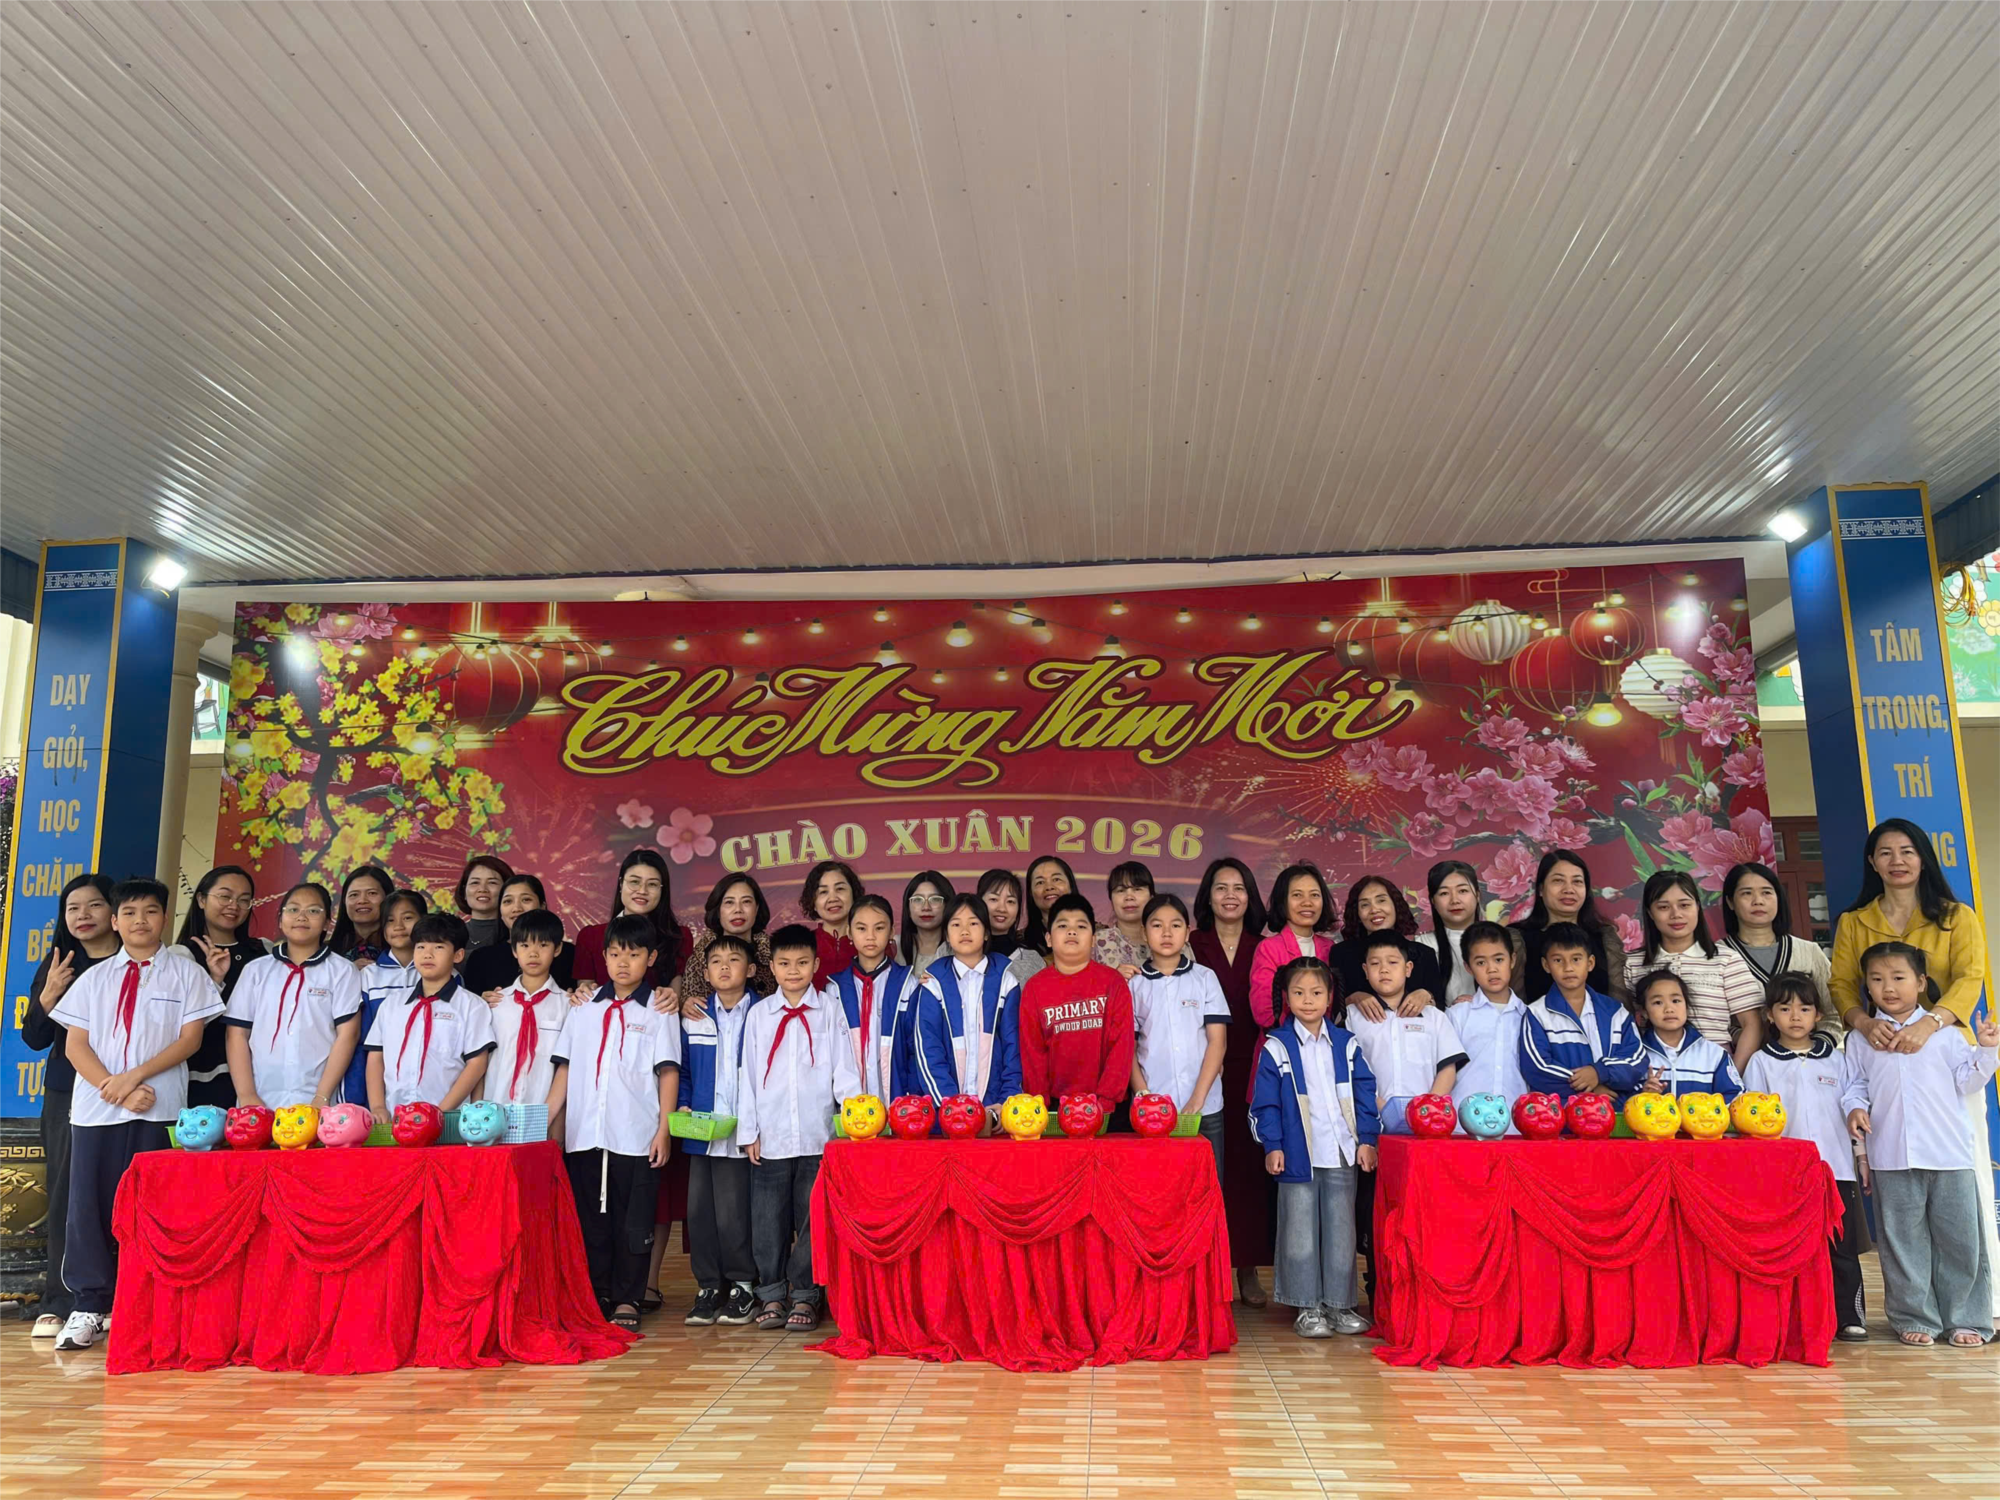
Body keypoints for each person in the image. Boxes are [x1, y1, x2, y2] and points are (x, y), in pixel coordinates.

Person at [1830, 817, 1999, 1313]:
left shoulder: (1955, 916)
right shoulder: (1854, 921)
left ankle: (1980, 1304)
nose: (1897, 861)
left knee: (1965, 1188)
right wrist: (1863, 1023)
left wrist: (1932, 1023)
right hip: (1880, 1050)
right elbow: (1841, 984)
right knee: (1900, 1202)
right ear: (1872, 862)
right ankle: (1914, 1311)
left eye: (1907, 851)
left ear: (1923, 857)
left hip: (1946, 1056)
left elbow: (1971, 976)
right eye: (1885, 852)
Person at [49, 879, 222, 1350]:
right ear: (114, 920)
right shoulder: (94, 978)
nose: (139, 921)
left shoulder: (186, 974)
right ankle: (89, 1304)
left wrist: (133, 1079)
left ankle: (145, 1302)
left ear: (164, 918)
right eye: (129, 913)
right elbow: (75, 1045)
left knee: (154, 1207)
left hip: (159, 1107)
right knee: (89, 1208)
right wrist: (116, 1088)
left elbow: (190, 1040)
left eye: (150, 911)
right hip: (97, 1109)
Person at [1841, 941, 2000, 1347]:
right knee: (1901, 1243)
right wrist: (1855, 1108)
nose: (1888, 987)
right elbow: (1855, 1084)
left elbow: (1968, 1081)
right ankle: (1914, 1317)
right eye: (1877, 979)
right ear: (1866, 987)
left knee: (1961, 1241)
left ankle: (1967, 1318)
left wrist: (1986, 1049)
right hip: (1890, 1155)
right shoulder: (1860, 1039)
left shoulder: (1945, 1035)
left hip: (1948, 1154)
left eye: (1899, 977)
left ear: (1921, 982)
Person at [547, 912, 680, 1331]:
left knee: (634, 1220)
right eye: (616, 953)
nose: (624, 962)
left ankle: (628, 1297)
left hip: (636, 1134)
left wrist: (664, 1130)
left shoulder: (660, 1010)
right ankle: (596, 1294)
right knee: (591, 1221)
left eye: (634, 954)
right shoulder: (583, 1007)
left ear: (651, 958)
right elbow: (565, 1068)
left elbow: (668, 1072)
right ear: (603, 957)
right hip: (586, 1133)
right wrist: (547, 1120)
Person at [738, 923, 859, 1333]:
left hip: (817, 1134)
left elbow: (844, 1068)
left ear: (816, 964)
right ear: (771, 966)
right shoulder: (759, 1015)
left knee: (812, 1218)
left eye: (802, 963)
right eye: (785, 963)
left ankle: (806, 1294)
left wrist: (853, 1121)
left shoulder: (829, 1010)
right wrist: (749, 1131)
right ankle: (772, 1293)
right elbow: (747, 1075)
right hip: (770, 1136)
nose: (793, 971)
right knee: (767, 1220)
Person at [1250, 955, 1377, 1339]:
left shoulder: (1346, 1043)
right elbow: (1264, 1103)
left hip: (1341, 1152)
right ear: (1286, 997)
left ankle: (1339, 1305)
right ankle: (1307, 1307)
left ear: (1330, 996)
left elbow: (1365, 1093)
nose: (1308, 1000)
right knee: (1299, 1233)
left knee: (1341, 1232)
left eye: (1317, 993)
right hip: (1297, 1153)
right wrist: (1273, 1145)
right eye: (1299, 993)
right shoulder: (1277, 1046)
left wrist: (1367, 1140)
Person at [1743, 974, 1869, 1340]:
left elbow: (1854, 1109)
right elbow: (1752, 1119)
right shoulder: (1761, 1063)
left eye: (1804, 1008)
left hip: (1836, 1169)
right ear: (1770, 1015)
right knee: (1791, 1247)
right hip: (1785, 1173)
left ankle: (1849, 1317)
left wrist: (1861, 1158)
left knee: (1841, 1246)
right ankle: (1796, 1318)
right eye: (1785, 1009)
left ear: (1818, 1015)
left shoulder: (1836, 1060)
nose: (1795, 1016)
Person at [21, 874, 117, 1339]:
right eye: (73, 908)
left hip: (127, 1090)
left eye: (94, 905)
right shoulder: (60, 963)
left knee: (118, 1191)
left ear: (114, 911)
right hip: (67, 1090)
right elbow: (34, 1038)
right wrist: (48, 997)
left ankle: (116, 1298)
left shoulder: (134, 961)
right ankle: (61, 1300)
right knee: (66, 1192)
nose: (83, 915)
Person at [1190, 856, 1275, 1306]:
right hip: (1204, 1070)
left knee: (1248, 1172)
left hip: (1254, 1067)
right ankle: (1208, 1268)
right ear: (1207, 896)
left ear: (1250, 897)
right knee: (1209, 1174)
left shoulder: (1264, 946)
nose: (1229, 896)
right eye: (1220, 887)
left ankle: (1247, 1268)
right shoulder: (1190, 943)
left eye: (1238, 888)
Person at [676, 933, 759, 1327]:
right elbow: (684, 1070)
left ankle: (743, 1284)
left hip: (743, 1134)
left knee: (735, 1214)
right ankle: (708, 1286)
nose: (724, 967)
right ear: (705, 973)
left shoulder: (762, 1013)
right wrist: (684, 1103)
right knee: (699, 1214)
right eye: (716, 962)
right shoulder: (694, 1016)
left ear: (752, 969)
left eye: (734, 960)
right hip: (702, 1132)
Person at [224, 883, 364, 1109]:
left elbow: (348, 1035)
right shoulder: (256, 970)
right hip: (259, 1101)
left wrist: (322, 1097)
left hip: (318, 1103)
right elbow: (236, 1035)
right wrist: (247, 1095)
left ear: (327, 923)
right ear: (280, 920)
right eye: (293, 909)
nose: (301, 917)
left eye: (313, 910)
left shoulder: (342, 971)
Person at [1129, 894, 1230, 1176]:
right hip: (1152, 1111)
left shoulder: (1205, 978)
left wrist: (1197, 1099)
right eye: (1157, 925)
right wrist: (1143, 1096)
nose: (1166, 933)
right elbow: (1127, 1050)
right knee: (1158, 1184)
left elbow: (1218, 1042)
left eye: (1175, 925)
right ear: (1144, 933)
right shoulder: (1134, 985)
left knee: (1208, 1184)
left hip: (1205, 1107)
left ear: (1187, 932)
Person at [1623, 871, 1764, 1069]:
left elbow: (1752, 1025)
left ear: (1698, 907)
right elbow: (1626, 1025)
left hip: (1714, 1069)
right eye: (1663, 907)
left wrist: (1734, 1074)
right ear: (1650, 913)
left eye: (1684, 905)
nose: (1676, 914)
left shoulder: (1726, 960)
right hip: (1655, 1072)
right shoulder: (1633, 963)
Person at [363, 913, 495, 1117]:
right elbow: (375, 1057)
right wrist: (378, 1106)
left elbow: (477, 1064)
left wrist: (439, 1112)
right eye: (421, 947)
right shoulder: (392, 1004)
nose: (427, 954)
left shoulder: (472, 1006)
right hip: (395, 1115)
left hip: (448, 1119)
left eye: (438, 947)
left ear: (458, 955)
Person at [1018, 894, 1135, 1111]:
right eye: (1062, 925)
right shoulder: (1035, 988)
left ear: (1093, 939)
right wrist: (1039, 1104)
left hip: (1105, 1107)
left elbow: (1121, 1046)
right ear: (1049, 939)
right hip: (1053, 1106)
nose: (1072, 931)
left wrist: (1106, 1101)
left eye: (1081, 926)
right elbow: (1032, 1052)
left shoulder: (1113, 982)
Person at [909, 894, 1021, 1116]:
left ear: (986, 932)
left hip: (995, 1109)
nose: (965, 931)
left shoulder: (1006, 981)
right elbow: (928, 1048)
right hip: (947, 1112)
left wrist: (1006, 1101)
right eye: (956, 924)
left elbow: (1014, 1046)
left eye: (973, 923)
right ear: (946, 935)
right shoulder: (934, 982)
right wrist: (951, 1104)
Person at [1348, 934, 1467, 1131]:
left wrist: (1427, 1109)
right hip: (1370, 1120)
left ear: (1408, 968)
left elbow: (1447, 1068)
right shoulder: (1352, 1016)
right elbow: (1350, 1070)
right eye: (1375, 963)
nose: (1384, 969)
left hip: (1427, 1123)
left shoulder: (1433, 1016)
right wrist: (1382, 1109)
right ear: (1365, 971)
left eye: (1393, 962)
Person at [1519, 921, 1647, 1101]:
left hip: (1614, 1112)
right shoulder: (1537, 1014)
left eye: (1576, 959)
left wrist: (1599, 1073)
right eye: (1558, 960)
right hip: (1563, 1114)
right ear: (1546, 965)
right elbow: (1537, 1068)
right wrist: (1588, 1088)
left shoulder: (1615, 1012)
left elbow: (1636, 1059)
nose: (1568, 968)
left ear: (1590, 963)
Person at [177, 865, 265, 1108]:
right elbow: (175, 1026)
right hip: (203, 1077)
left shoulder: (264, 951)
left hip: (260, 1077)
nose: (234, 905)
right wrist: (215, 982)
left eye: (244, 900)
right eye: (225, 896)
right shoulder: (182, 955)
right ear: (201, 900)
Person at [830, 894, 928, 1102]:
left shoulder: (908, 984)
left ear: (892, 931)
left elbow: (916, 1048)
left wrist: (912, 1097)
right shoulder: (834, 990)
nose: (870, 936)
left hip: (899, 1101)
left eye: (879, 928)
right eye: (861, 928)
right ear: (849, 932)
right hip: (851, 1107)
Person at [1720, 862, 1837, 1032]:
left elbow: (1832, 1014)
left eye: (1766, 892)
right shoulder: (1715, 956)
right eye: (1746, 893)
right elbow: (1712, 1023)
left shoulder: (1809, 952)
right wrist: (1743, 1040)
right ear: (1730, 902)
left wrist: (1816, 1044)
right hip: (1742, 1049)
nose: (1758, 901)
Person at [343, 888, 426, 1109]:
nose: (398, 926)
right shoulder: (368, 977)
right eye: (390, 920)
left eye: (407, 918)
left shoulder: (441, 975)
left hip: (431, 1087)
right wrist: (361, 1098)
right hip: (380, 1093)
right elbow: (363, 1042)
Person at [1510, 850, 1626, 1004]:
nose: (1569, 890)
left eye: (1577, 881)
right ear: (1541, 889)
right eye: (1558, 881)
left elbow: (1619, 1001)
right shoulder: (1518, 938)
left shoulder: (1604, 937)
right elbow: (1513, 1003)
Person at [482, 907, 569, 1107]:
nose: (533, 953)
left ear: (557, 949)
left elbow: (566, 1068)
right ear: (514, 950)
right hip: (494, 1108)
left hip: (541, 1109)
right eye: (525, 945)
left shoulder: (567, 1005)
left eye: (543, 945)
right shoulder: (496, 1003)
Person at [574, 849, 691, 993]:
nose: (642, 891)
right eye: (634, 882)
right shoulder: (590, 937)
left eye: (652, 884)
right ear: (621, 884)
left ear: (662, 890)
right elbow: (585, 994)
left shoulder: (679, 937)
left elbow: (676, 997)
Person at [1448, 921, 1528, 1132]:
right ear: (1468, 967)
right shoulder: (1457, 1016)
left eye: (1499, 959)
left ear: (1512, 960)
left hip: (1516, 1127)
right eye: (1481, 962)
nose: (1491, 969)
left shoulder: (1530, 1017)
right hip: (1462, 1127)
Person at [1328, 875, 1445, 1019]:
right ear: (1357, 913)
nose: (1374, 909)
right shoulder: (1341, 953)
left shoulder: (1424, 954)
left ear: (1395, 905)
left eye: (1381, 900)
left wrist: (1427, 995)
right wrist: (1353, 998)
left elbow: (1440, 1005)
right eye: (1365, 905)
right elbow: (1331, 1008)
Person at [1631, 969, 1743, 1102]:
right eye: (1657, 1002)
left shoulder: (1714, 1054)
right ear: (1644, 1011)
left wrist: (1706, 1107)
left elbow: (1736, 1098)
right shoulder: (1635, 1054)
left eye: (1676, 1000)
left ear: (1687, 1006)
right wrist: (1645, 1096)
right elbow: (1622, 1101)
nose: (1669, 1009)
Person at [1250, 864, 1339, 1027]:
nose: (1307, 902)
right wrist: (1307, 1032)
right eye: (1297, 895)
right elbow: (1265, 1013)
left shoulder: (1330, 948)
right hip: (1282, 1040)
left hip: (1325, 1040)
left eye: (1314, 895)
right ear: (1282, 902)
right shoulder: (1269, 949)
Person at [465, 874, 578, 996]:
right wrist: (481, 1002)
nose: (516, 908)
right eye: (508, 901)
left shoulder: (571, 955)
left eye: (526, 900)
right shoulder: (481, 959)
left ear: (542, 906)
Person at [674, 873, 774, 1004]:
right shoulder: (698, 959)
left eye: (746, 902)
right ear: (718, 910)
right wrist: (686, 1005)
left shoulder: (774, 954)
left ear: (756, 908)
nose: (738, 910)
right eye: (729, 902)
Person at [1008, 854, 1079, 986]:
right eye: (1040, 882)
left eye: (1056, 879)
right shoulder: (1020, 943)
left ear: (1071, 884)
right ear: (1031, 893)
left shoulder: (1099, 936)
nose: (1049, 887)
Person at [1418, 861, 1483, 1003]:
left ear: (1478, 895)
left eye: (1463, 891)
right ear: (1433, 901)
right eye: (1444, 893)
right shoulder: (1422, 945)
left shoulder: (1499, 940)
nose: (1454, 900)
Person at [800, 859, 863, 988]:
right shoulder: (803, 945)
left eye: (840, 889)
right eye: (823, 892)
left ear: (854, 894)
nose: (833, 898)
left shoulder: (869, 940)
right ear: (813, 903)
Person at [1094, 861, 1155, 974]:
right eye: (1121, 890)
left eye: (1137, 889)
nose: (1129, 897)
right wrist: (1112, 978)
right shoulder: (1096, 942)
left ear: (1151, 896)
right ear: (1111, 900)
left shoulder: (1171, 939)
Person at [330, 865, 394, 963]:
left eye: (372, 893)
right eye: (354, 894)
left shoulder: (407, 947)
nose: (362, 900)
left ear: (388, 897)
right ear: (344, 901)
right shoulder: (326, 953)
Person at [454, 855, 514, 954]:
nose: (482, 889)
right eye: (475, 882)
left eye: (492, 883)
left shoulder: (516, 935)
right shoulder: (449, 935)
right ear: (464, 891)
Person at [898, 870, 954, 974]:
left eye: (935, 899)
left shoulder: (959, 946)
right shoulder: (895, 948)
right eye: (918, 900)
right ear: (908, 908)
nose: (926, 907)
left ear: (948, 905)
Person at [977, 868, 1026, 958]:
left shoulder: (1030, 958)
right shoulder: (955, 950)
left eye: (1010, 901)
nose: (1002, 909)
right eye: (994, 899)